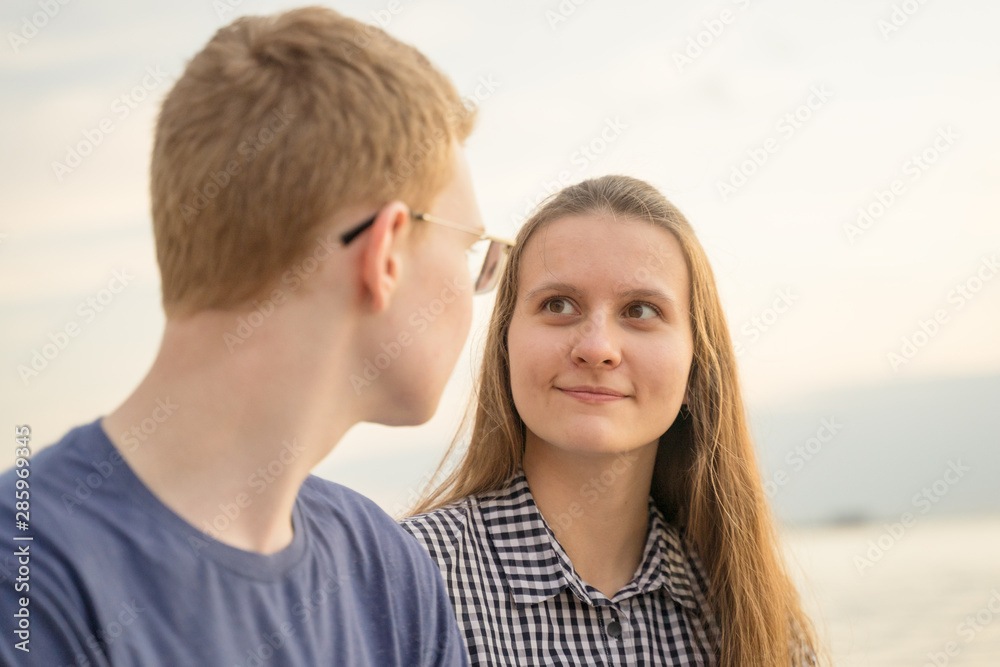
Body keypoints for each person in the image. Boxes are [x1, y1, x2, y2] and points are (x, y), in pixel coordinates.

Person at [0, 6, 504, 665]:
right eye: (471, 251)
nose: (476, 297)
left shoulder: (391, 571)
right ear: (385, 254)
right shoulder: (32, 586)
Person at [401, 175, 824, 666]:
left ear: (696, 368)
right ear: (505, 346)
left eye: (640, 310)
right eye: (558, 305)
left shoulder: (751, 611)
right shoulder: (404, 580)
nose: (597, 348)